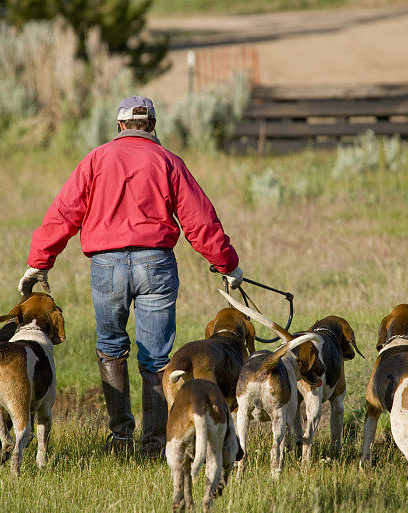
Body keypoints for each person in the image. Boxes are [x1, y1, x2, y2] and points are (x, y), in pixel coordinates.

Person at [18, 95, 243, 456]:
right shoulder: (170, 162)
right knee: (156, 360)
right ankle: (154, 443)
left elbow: (64, 214)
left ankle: (121, 435)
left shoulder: (96, 160)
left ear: (120, 125)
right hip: (156, 264)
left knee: (111, 349)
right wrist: (227, 264)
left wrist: (39, 261)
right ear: (153, 125)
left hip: (106, 266)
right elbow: (200, 221)